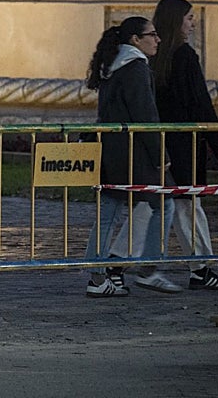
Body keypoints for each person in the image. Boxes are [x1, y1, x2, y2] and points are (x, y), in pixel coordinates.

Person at [109, 0, 218, 290]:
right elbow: (201, 104)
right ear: (176, 20)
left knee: (155, 205)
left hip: (156, 145)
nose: (193, 23)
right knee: (180, 206)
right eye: (189, 18)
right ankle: (198, 269)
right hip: (180, 146)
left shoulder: (152, 57)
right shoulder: (182, 55)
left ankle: (120, 265)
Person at [83, 16, 179, 297]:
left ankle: (100, 275)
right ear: (136, 40)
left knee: (110, 213)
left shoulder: (114, 65)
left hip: (114, 151)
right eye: (152, 34)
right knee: (164, 203)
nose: (158, 39)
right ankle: (147, 269)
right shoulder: (135, 66)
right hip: (134, 154)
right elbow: (145, 115)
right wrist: (160, 154)